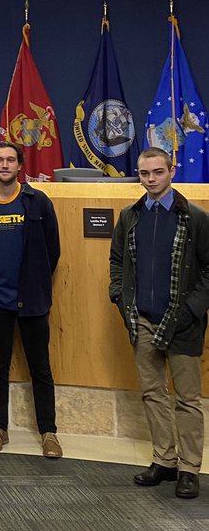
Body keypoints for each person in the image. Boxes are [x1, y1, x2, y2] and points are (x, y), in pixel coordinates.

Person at [109, 147, 209, 499]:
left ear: (171, 171)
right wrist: (120, 298)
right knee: (153, 394)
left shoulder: (195, 218)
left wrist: (189, 311)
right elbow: (118, 260)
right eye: (144, 173)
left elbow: (208, 272)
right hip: (142, 322)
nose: (151, 179)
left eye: (157, 172)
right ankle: (164, 460)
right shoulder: (130, 215)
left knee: (187, 399)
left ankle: (189, 468)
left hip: (184, 323)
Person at [0, 141, 63, 459]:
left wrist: (34, 282)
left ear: (20, 165)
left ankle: (48, 432)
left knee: (41, 368)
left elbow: (53, 250)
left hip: (32, 301)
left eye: (11, 160)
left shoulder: (38, 201)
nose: (5, 165)